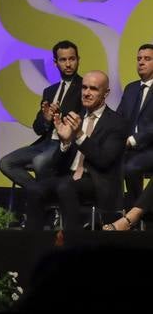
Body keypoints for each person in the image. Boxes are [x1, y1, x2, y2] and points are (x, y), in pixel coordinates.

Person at [24, 70, 128, 232]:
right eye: (84, 88)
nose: (86, 93)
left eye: (93, 89)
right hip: (68, 177)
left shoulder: (117, 123)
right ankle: (32, 243)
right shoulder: (75, 117)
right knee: (34, 188)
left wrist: (79, 135)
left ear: (106, 93)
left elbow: (103, 160)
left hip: (97, 181)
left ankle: (73, 242)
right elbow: (58, 164)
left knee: (66, 186)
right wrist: (64, 143)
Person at [0, 40, 83, 191]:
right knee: (6, 163)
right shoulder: (50, 91)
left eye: (72, 59)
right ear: (56, 63)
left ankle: (41, 200)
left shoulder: (85, 88)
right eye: (63, 60)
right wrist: (46, 118)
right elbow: (38, 128)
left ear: (78, 60)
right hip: (44, 144)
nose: (68, 64)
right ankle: (40, 195)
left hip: (66, 146)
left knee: (39, 162)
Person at [116, 43, 153, 204]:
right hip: (128, 148)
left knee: (130, 168)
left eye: (147, 59)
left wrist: (133, 140)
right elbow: (118, 118)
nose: (141, 62)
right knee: (101, 162)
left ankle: (138, 214)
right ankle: (111, 214)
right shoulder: (130, 88)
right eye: (139, 59)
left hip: (149, 147)